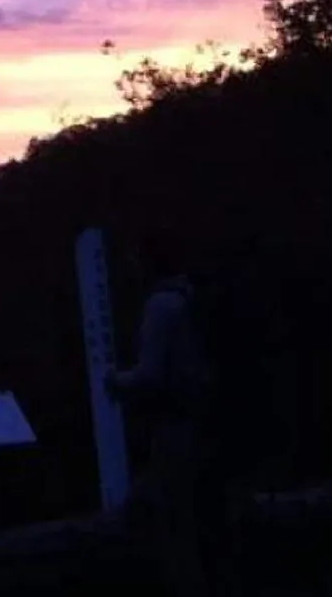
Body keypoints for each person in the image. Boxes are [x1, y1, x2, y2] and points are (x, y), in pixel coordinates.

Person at [106, 233, 223, 595]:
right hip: (204, 421)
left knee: (173, 521)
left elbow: (150, 374)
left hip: (174, 426)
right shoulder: (190, 297)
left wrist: (114, 381)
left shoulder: (160, 306)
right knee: (195, 515)